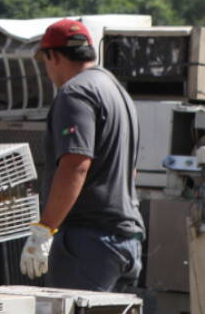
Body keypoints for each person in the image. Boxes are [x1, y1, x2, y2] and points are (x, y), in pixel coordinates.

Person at [18, 18, 144, 291]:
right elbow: (131, 171)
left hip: (90, 244)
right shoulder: (116, 91)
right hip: (126, 241)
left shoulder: (75, 93)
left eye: (45, 62)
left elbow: (76, 165)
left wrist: (44, 229)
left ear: (53, 56)